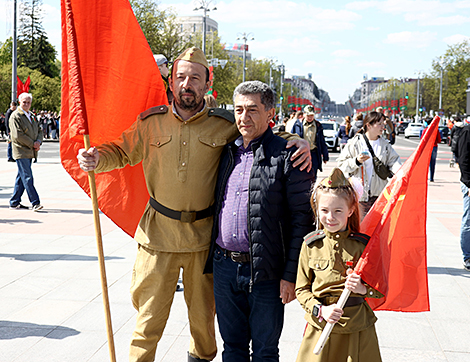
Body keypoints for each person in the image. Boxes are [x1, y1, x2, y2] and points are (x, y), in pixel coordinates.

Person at [76, 47, 311, 362]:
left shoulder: (224, 124)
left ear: (206, 84)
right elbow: (121, 151)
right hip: (158, 237)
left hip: (203, 241)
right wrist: (96, 158)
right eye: (181, 77)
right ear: (171, 82)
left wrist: (298, 140)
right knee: (148, 321)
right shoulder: (150, 123)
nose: (187, 84)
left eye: (195, 78)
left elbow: (256, 131)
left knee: (203, 326)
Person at [204, 81, 314, 361]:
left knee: (265, 351)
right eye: (239, 109)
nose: (244, 117)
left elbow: (302, 220)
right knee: (233, 348)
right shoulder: (226, 152)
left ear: (270, 113)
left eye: (253, 109)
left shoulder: (289, 156)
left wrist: (290, 276)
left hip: (266, 272)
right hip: (225, 267)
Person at [295, 168, 383, 362]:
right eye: (324, 210)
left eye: (338, 211)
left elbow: (380, 288)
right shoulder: (311, 244)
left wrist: (361, 288)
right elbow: (301, 290)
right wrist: (321, 310)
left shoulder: (363, 246)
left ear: (351, 210)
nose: (330, 217)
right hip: (320, 325)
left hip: (356, 327)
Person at [337, 111, 401, 216]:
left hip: (379, 195)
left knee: (377, 228)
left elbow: (394, 162)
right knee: (361, 228)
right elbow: (341, 165)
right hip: (360, 196)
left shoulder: (385, 145)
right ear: (369, 125)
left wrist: (401, 173)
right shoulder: (355, 143)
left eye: (383, 123)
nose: (382, 126)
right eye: (379, 124)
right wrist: (356, 161)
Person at [9, 93, 43, 211]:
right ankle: (35, 202)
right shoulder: (16, 116)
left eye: (28, 102)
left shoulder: (32, 115)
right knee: (27, 177)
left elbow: (39, 130)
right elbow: (18, 135)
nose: (27, 104)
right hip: (21, 151)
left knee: (21, 176)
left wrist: (38, 141)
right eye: (24, 102)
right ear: (19, 102)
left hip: (30, 151)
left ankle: (14, 202)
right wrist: (32, 143)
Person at [293, 105, 329, 183]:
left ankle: (311, 191)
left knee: (313, 174)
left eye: (312, 115)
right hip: (301, 153)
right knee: (301, 172)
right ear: (304, 114)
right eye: (308, 115)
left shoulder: (318, 125)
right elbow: (291, 138)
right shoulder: (298, 124)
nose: (310, 117)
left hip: (314, 153)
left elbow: (322, 141)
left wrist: (325, 155)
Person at [455, 124, 470, 270]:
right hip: (469, 183)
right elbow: (463, 160)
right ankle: (468, 256)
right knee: (469, 220)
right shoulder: (467, 132)